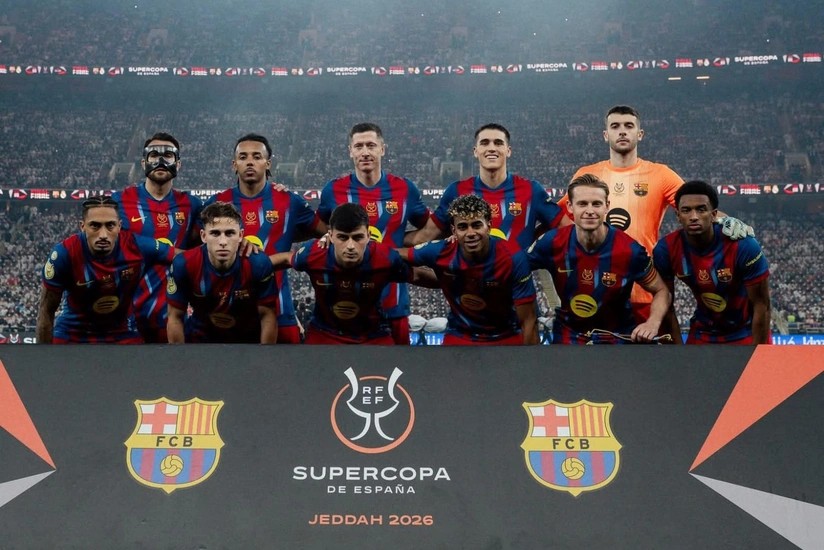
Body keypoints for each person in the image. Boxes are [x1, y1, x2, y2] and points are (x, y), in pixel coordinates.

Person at [564, 105, 749, 322]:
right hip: (595, 291)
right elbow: (559, 216)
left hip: (645, 291)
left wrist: (727, 221)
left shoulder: (660, 175)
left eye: (629, 126)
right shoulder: (586, 174)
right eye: (615, 126)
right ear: (606, 135)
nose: (622, 131)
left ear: (640, 134)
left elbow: (695, 206)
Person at [315, 122, 432, 345]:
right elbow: (319, 228)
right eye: (359, 146)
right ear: (350, 151)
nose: (365, 152)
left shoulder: (404, 189)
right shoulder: (333, 190)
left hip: (393, 306)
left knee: (397, 367)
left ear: (382, 149)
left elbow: (429, 229)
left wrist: (399, 241)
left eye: (371, 145)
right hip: (346, 307)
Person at [206, 133, 327, 344]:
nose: (249, 162)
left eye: (257, 156)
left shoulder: (289, 201)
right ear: (234, 164)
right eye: (243, 157)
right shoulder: (217, 203)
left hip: (280, 311)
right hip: (230, 313)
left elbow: (327, 232)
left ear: (268, 163)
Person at [526, 174, 670, 344]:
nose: (590, 211)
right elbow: (514, 270)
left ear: (607, 206)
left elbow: (662, 291)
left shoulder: (630, 250)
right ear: (570, 207)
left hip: (617, 337)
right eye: (582, 204)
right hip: (568, 336)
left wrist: (652, 323)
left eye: (596, 204)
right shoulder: (551, 242)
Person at [271, 203, 433, 345]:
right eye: (343, 237)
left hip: (373, 336)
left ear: (368, 235)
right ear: (330, 235)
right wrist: (256, 263)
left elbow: (417, 275)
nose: (350, 246)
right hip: (324, 333)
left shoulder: (385, 258)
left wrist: (448, 279)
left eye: (357, 238)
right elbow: (285, 259)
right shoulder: (314, 254)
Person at [404, 123, 568, 250]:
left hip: (517, 283)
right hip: (469, 283)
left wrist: (536, 242)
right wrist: (392, 239)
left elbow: (567, 228)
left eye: (498, 143)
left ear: (508, 150)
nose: (491, 148)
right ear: (476, 151)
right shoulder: (456, 191)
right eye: (485, 143)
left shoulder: (531, 190)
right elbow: (427, 235)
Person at [37, 196, 176, 344]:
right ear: (82, 226)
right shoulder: (64, 254)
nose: (103, 235)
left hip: (122, 332)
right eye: (95, 226)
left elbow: (184, 258)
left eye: (110, 225)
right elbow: (46, 310)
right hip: (72, 331)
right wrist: (44, 355)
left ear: (119, 226)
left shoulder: (137, 246)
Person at [403, 194, 539, 345]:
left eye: (476, 225)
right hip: (460, 335)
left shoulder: (513, 258)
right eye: (463, 227)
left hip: (505, 335)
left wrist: (530, 360)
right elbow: (394, 256)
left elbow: (528, 321)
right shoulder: (441, 251)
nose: (470, 233)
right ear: (454, 230)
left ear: (489, 226)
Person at [653, 180, 770, 344]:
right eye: (686, 210)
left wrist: (760, 353)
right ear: (678, 216)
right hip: (703, 332)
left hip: (746, 331)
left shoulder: (743, 245)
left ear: (714, 214)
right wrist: (677, 353)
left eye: (701, 209)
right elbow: (665, 304)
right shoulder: (665, 250)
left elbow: (762, 305)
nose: (694, 217)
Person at [112, 132, 203, 343]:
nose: (160, 161)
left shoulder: (192, 205)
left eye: (168, 155)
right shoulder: (120, 201)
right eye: (154, 155)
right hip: (127, 316)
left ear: (178, 164)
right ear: (143, 162)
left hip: (172, 318)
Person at [166, 202, 278, 344]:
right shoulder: (184, 264)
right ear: (203, 236)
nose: (223, 241)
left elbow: (267, 315)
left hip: (246, 343)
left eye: (230, 233)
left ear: (240, 235)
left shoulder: (259, 264)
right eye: (215, 233)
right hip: (200, 341)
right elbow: (175, 317)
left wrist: (265, 355)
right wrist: (179, 356)